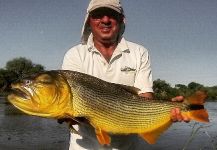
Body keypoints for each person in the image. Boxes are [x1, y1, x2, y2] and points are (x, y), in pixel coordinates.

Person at [62, 0, 189, 149]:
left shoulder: (139, 53)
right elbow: (68, 111)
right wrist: (64, 115)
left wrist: (167, 110)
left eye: (111, 15)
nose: (105, 20)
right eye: (98, 15)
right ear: (89, 20)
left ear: (121, 20)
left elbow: (145, 97)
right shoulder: (75, 54)